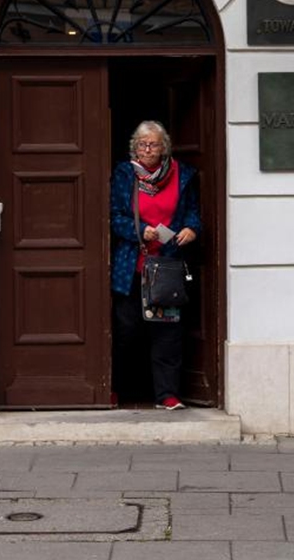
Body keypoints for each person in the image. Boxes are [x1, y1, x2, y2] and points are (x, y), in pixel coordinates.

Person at [109, 120, 202, 410]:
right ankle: (119, 389)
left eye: (153, 144)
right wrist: (140, 231)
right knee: (127, 329)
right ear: (134, 148)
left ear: (164, 148)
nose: (147, 149)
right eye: (142, 144)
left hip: (166, 267)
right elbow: (114, 216)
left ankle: (167, 395)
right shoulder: (125, 174)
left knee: (168, 332)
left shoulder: (182, 175)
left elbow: (192, 211)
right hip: (131, 266)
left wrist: (191, 229)